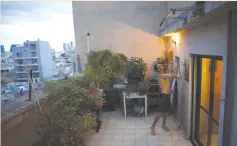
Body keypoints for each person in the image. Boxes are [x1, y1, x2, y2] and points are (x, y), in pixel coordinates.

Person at [150, 63, 178, 135]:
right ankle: (152, 127)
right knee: (159, 114)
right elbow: (174, 75)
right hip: (164, 96)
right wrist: (175, 68)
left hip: (167, 95)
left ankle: (163, 125)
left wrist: (171, 90)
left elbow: (165, 84)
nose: (162, 65)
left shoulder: (164, 75)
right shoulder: (161, 75)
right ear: (158, 69)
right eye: (160, 66)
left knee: (166, 112)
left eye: (161, 65)